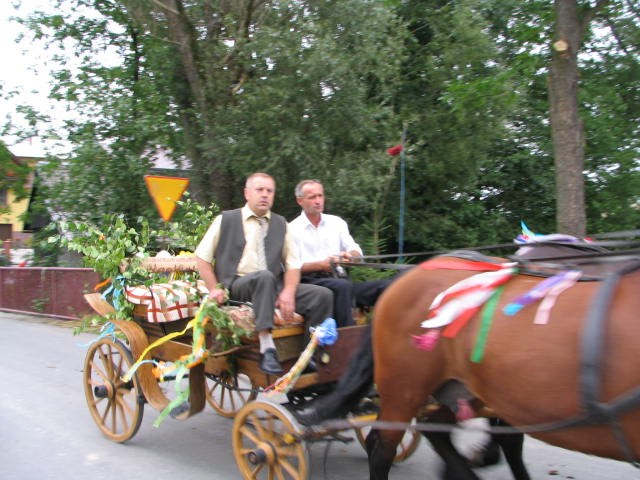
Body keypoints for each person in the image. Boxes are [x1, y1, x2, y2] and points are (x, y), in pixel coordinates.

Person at [195, 172, 334, 375]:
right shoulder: (226, 220)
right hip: (237, 286)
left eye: (269, 191)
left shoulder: (281, 223)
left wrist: (288, 292)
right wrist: (214, 288)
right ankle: (267, 348)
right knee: (264, 277)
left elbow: (293, 265)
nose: (265, 195)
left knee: (322, 295)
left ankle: (309, 355)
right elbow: (202, 258)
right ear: (247, 193)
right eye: (259, 190)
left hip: (272, 285)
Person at [288, 179, 393, 327]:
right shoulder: (292, 229)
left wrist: (351, 257)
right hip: (312, 284)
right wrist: (320, 265)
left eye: (320, 195)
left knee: (387, 286)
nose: (318, 201)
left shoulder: (336, 223)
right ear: (300, 201)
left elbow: (356, 251)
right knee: (342, 287)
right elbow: (291, 267)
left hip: (340, 281)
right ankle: (346, 339)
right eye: (312, 197)